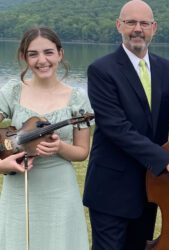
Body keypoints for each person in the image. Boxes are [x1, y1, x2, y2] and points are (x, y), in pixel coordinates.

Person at [82, 0, 169, 249]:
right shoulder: (101, 70)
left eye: (144, 23)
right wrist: (168, 160)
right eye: (131, 22)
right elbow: (116, 128)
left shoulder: (167, 68)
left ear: (155, 27)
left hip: (151, 187)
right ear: (119, 25)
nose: (137, 29)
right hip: (111, 191)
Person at [0, 26, 92, 250]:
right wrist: (2, 164)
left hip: (60, 190)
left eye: (48, 52)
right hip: (19, 189)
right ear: (24, 57)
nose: (42, 60)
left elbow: (82, 152)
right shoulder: (12, 91)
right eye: (33, 54)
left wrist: (59, 147)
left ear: (60, 54)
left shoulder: (77, 98)